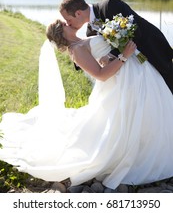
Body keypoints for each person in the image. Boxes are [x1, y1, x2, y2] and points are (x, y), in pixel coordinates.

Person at [0, 19, 173, 191]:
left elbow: (101, 62)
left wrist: (110, 55)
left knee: (143, 116)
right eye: (65, 25)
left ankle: (147, 151)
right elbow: (101, 75)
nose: (69, 23)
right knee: (125, 122)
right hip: (119, 85)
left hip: (130, 77)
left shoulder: (81, 40)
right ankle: (136, 158)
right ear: (61, 33)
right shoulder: (76, 50)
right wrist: (124, 55)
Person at [59, 0, 173, 94]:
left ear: (78, 13)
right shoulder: (90, 30)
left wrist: (111, 55)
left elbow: (135, 32)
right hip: (135, 69)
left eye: (68, 19)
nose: (68, 23)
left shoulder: (110, 5)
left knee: (168, 88)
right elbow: (89, 52)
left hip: (153, 51)